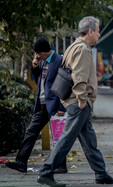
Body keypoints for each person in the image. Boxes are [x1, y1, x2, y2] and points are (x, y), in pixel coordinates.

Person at [37, 16, 113, 187]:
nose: (98, 35)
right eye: (97, 32)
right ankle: (46, 172)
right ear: (90, 31)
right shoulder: (83, 49)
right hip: (79, 102)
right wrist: (82, 99)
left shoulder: (73, 46)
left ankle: (101, 173)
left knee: (89, 141)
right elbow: (79, 76)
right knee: (67, 138)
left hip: (76, 101)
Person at [5, 38, 67, 174]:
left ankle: (61, 166)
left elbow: (65, 82)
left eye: (38, 53)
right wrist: (34, 68)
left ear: (43, 51)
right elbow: (39, 79)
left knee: (58, 136)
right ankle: (21, 162)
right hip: (41, 103)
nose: (36, 56)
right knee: (31, 132)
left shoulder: (59, 60)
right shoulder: (42, 61)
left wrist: (62, 107)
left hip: (55, 104)